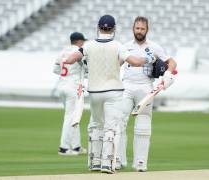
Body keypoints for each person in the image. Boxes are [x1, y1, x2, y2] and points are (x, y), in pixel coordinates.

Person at [65, 15, 156, 173]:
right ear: (113, 29)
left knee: (95, 125)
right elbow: (134, 62)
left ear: (98, 27)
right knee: (111, 128)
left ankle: (94, 161)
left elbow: (70, 59)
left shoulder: (88, 45)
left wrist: (82, 62)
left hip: (94, 92)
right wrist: (149, 58)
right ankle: (107, 163)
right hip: (113, 92)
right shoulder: (118, 46)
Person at [116, 16, 177, 172]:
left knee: (143, 126)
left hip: (145, 88)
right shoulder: (125, 46)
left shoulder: (155, 47)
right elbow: (116, 64)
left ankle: (140, 162)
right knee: (119, 123)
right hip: (127, 87)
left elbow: (172, 62)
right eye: (137, 28)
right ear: (133, 29)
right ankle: (117, 159)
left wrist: (168, 74)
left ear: (147, 30)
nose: (139, 31)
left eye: (142, 29)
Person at [53, 32, 88, 156]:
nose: (84, 43)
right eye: (83, 41)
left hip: (62, 86)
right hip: (73, 88)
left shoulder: (62, 52)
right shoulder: (79, 52)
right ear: (79, 41)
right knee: (70, 117)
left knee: (74, 116)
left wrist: (67, 75)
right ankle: (63, 148)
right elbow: (87, 69)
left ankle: (76, 146)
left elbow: (56, 70)